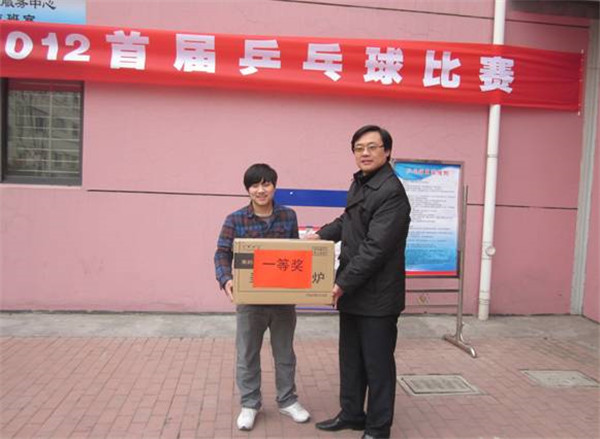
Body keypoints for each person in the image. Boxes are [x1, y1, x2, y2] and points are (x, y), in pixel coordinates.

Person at [308, 125, 411, 439]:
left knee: (377, 365)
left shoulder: (391, 192)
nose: (364, 153)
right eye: (358, 148)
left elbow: (375, 248)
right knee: (351, 359)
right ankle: (352, 414)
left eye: (372, 147)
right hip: (354, 292)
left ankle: (378, 428)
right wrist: (319, 236)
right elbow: (348, 221)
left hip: (378, 297)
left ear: (387, 151)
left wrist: (342, 283)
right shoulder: (362, 183)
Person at [214, 163, 310, 431]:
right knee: (247, 354)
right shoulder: (235, 219)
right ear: (248, 189)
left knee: (285, 353)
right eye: (254, 185)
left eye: (266, 184)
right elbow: (221, 253)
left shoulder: (288, 216)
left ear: (274, 186)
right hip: (250, 302)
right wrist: (226, 279)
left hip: (282, 301)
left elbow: (293, 255)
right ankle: (250, 403)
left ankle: (288, 400)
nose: (260, 190)